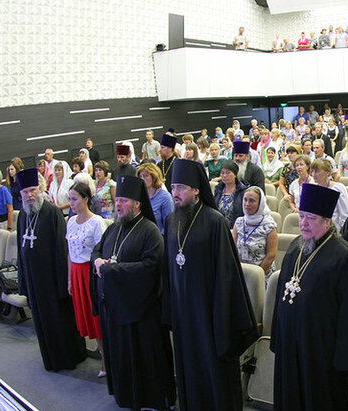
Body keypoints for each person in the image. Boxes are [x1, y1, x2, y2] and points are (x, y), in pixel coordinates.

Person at [162, 159, 258, 410]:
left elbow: (227, 275)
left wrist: (221, 318)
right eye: (173, 187)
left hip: (209, 315)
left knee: (214, 373)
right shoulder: (171, 221)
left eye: (181, 187)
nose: (175, 193)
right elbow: (169, 268)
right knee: (188, 369)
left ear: (196, 189)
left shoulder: (214, 222)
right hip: (184, 314)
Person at [271, 183, 348, 410]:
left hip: (322, 355)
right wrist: (279, 336)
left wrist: (346, 364)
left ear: (327, 220)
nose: (302, 223)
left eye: (310, 218)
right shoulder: (296, 247)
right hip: (290, 347)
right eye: (301, 216)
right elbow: (282, 296)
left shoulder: (346, 258)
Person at [90, 175, 176, 409]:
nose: (118, 205)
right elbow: (96, 252)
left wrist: (111, 269)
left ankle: (152, 398)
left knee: (143, 359)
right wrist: (98, 262)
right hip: (114, 308)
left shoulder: (150, 232)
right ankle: (124, 394)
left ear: (137, 204)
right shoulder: (113, 229)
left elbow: (151, 268)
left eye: (124, 201)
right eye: (117, 200)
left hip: (140, 312)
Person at [16, 168, 86, 371]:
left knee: (59, 320)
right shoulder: (23, 217)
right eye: (25, 192)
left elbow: (62, 251)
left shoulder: (52, 213)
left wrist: (63, 284)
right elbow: (21, 253)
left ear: (40, 189)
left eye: (32, 190)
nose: (29, 196)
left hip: (51, 281)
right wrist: (23, 283)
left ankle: (70, 358)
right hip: (32, 280)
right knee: (41, 322)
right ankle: (51, 360)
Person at [66, 182, 106, 377]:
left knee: (97, 318)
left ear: (85, 199)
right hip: (76, 272)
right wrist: (69, 280)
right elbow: (69, 253)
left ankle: (106, 361)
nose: (71, 203)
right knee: (85, 317)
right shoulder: (71, 221)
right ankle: (101, 354)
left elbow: (102, 252)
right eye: (69, 199)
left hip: (90, 274)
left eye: (74, 199)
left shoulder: (96, 222)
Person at [232, 186, 278, 277]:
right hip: (240, 272)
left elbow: (271, 255)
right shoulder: (239, 222)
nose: (247, 204)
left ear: (260, 204)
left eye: (252, 201)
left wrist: (256, 275)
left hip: (262, 274)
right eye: (245, 199)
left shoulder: (269, 226)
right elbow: (233, 250)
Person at [310, 158, 348, 230]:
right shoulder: (312, 188)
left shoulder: (338, 188)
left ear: (327, 172)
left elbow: (345, 216)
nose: (313, 174)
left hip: (333, 230)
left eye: (317, 171)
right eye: (312, 171)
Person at [138, 162, 173, 235]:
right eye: (140, 176)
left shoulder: (165, 197)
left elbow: (169, 225)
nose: (142, 179)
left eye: (145, 176)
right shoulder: (139, 196)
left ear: (154, 177)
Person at [213, 160, 247, 227]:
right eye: (222, 173)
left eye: (228, 173)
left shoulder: (242, 191)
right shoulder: (218, 189)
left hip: (236, 227)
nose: (224, 176)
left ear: (235, 174)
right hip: (218, 227)